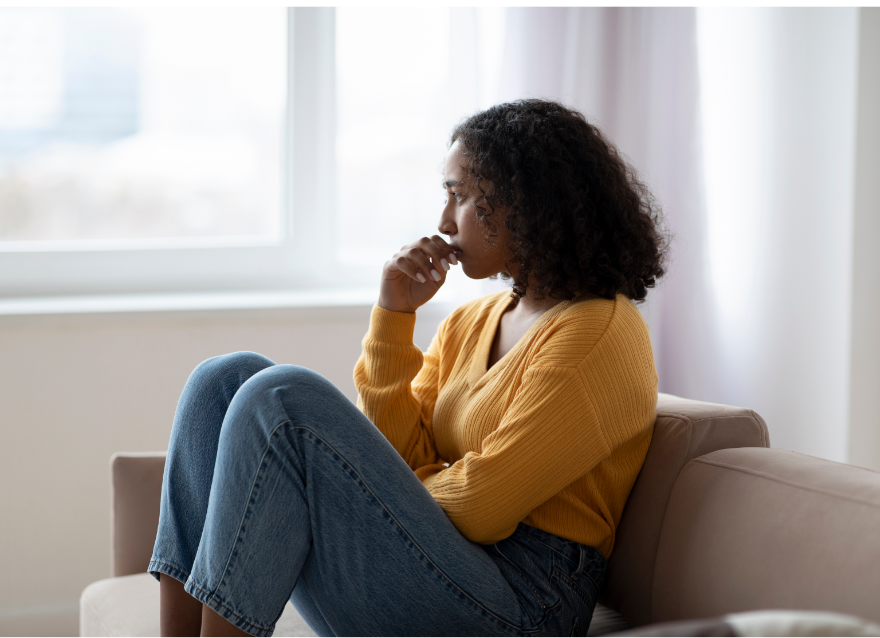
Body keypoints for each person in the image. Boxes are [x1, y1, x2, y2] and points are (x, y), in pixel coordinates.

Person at [148, 99, 668, 637]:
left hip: (524, 602)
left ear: (526, 203)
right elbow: (402, 452)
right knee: (223, 380)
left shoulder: (599, 334)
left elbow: (483, 510)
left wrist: (388, 489)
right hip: (443, 561)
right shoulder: (473, 320)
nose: (444, 220)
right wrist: (395, 318)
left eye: (460, 196)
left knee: (283, 398)